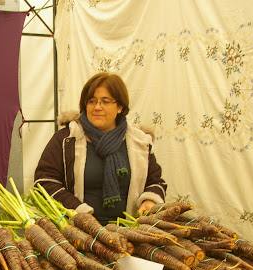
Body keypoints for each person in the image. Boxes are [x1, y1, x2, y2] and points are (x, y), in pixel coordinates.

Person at [34, 72, 166, 224]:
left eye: (105, 101)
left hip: (130, 232)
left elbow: (155, 181)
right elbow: (45, 181)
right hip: (78, 232)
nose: (97, 107)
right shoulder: (67, 139)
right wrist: (78, 210)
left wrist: (149, 200)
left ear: (120, 107)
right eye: (91, 101)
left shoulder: (140, 142)